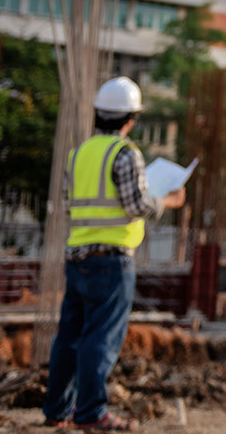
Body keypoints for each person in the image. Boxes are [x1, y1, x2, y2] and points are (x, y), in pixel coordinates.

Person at [42, 76, 185, 431]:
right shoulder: (125, 154)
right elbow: (136, 204)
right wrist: (167, 200)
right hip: (111, 260)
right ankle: (90, 413)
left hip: (77, 256)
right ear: (131, 118)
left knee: (70, 336)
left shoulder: (78, 154)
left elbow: (68, 200)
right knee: (100, 338)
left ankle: (57, 411)